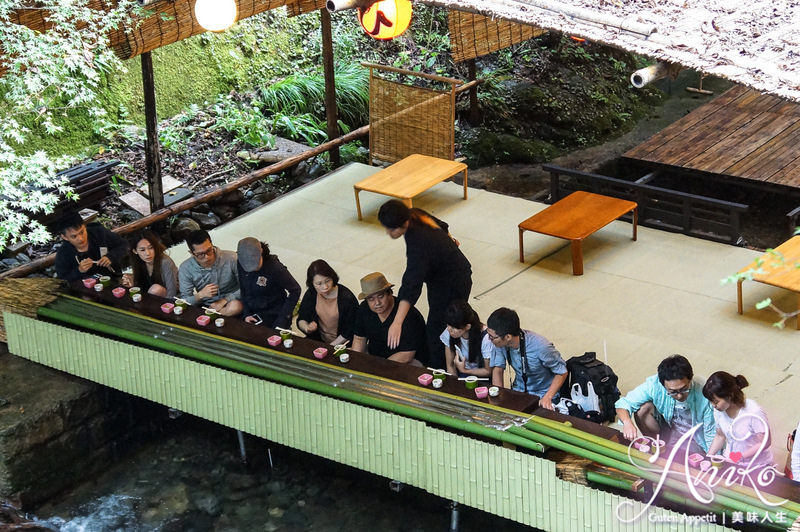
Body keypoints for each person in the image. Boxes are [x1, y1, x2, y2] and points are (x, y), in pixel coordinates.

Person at [377, 199, 472, 369]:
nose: (388, 232)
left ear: (404, 223)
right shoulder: (415, 213)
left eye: (391, 228)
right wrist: (449, 243)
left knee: (438, 329)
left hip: (452, 281)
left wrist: (397, 322)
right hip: (443, 275)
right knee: (439, 324)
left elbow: (411, 283)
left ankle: (441, 371)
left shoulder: (419, 242)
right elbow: (443, 226)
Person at [615, 355, 715, 453]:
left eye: (684, 389)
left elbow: (711, 432)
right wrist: (627, 422)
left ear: (691, 378)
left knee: (680, 457)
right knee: (643, 409)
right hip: (671, 430)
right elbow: (623, 403)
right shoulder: (654, 385)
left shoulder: (705, 392)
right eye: (673, 391)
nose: (679, 396)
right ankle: (656, 445)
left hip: (697, 438)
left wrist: (711, 458)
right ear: (662, 384)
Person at [486, 307, 567, 410]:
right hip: (519, 392)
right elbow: (498, 369)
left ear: (508, 337)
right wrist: (497, 397)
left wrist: (548, 397)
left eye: (492, 337)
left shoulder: (541, 346)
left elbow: (562, 372)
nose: (489, 339)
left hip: (542, 395)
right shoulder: (499, 343)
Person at [702, 371, 774, 469]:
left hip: (756, 465)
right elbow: (720, 436)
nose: (713, 405)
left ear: (730, 395)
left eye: (716, 402)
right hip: (731, 461)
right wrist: (708, 457)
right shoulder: (719, 410)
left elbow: (765, 442)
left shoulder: (754, 412)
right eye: (710, 401)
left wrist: (739, 457)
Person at [352, 272, 427, 364]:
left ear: (390, 293)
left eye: (381, 296)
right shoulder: (364, 309)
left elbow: (407, 354)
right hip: (375, 358)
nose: (377, 303)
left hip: (407, 362)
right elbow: (359, 339)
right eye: (371, 299)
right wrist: (355, 361)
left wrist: (380, 368)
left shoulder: (409, 315)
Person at [236, 237, 300, 329]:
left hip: (274, 312)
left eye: (256, 264)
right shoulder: (241, 262)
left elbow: (295, 290)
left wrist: (283, 319)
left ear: (261, 253)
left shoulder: (275, 268)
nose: (252, 269)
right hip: (253, 311)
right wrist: (247, 313)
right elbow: (243, 288)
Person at [178, 230, 242, 317]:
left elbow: (246, 286)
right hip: (206, 305)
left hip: (231, 300)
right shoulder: (185, 268)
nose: (207, 257)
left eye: (209, 250)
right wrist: (200, 295)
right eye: (200, 254)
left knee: (235, 306)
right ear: (192, 253)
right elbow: (184, 300)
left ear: (212, 245)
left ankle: (209, 316)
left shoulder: (231, 258)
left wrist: (225, 300)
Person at [296, 259, 359, 345]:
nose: (325, 287)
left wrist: (329, 347)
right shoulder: (312, 293)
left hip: (342, 344)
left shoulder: (347, 298)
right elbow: (302, 318)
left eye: (327, 281)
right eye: (319, 283)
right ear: (312, 284)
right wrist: (307, 328)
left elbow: (349, 331)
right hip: (319, 340)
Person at [54, 211, 128, 283]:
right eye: (74, 236)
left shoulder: (99, 233)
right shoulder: (63, 254)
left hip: (113, 279)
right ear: (65, 237)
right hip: (85, 290)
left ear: (85, 226)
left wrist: (111, 257)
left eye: (82, 232)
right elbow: (62, 280)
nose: (81, 238)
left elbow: (124, 245)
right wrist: (79, 270)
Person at [441, 300, 492, 378]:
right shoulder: (450, 331)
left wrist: (464, 370)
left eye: (454, 327)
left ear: (467, 326)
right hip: (462, 374)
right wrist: (456, 386)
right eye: (448, 324)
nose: (449, 329)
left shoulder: (486, 338)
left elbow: (488, 371)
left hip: (481, 378)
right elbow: (450, 365)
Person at [121, 231, 178, 297]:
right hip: (149, 298)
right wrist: (132, 284)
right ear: (135, 251)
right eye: (142, 250)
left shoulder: (165, 262)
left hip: (168, 299)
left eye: (151, 248)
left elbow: (172, 291)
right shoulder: (138, 261)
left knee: (156, 289)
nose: (148, 253)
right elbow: (142, 287)